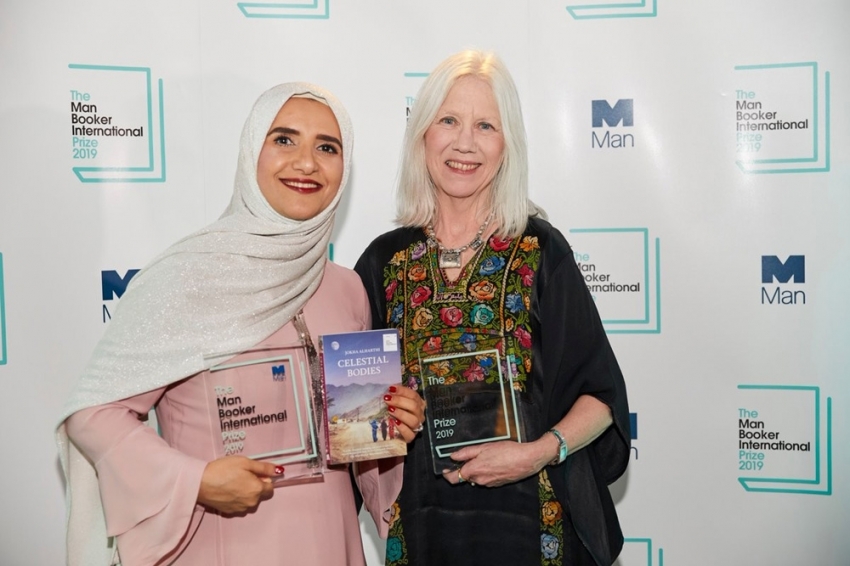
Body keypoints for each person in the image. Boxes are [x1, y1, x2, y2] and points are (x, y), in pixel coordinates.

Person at [57, 82, 425, 566]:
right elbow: (94, 414)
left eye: (327, 147)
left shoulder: (345, 288)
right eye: (284, 139)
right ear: (252, 150)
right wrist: (195, 482)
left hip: (328, 543)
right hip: (220, 543)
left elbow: (359, 446)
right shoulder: (185, 275)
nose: (307, 163)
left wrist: (391, 424)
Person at [354, 51, 630, 565]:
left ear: (507, 147)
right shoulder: (381, 262)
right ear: (422, 135)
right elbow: (358, 420)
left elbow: (601, 396)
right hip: (422, 530)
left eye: (486, 125)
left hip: (533, 528)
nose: (465, 142)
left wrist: (536, 453)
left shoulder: (541, 251)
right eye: (449, 121)